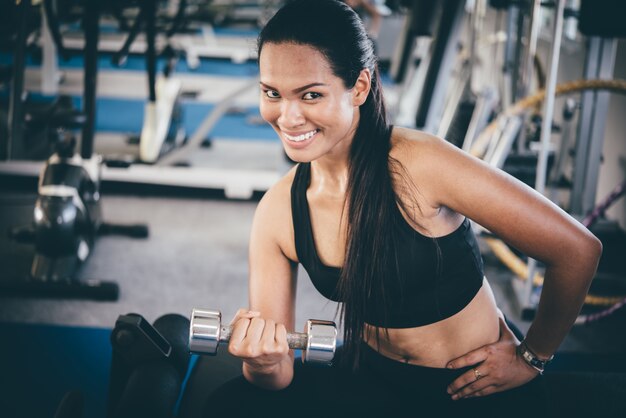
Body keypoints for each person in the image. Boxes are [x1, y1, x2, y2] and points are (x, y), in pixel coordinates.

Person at [204, 0, 602, 416]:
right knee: (227, 405)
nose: (287, 117)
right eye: (272, 93)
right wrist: (263, 360)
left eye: (311, 95)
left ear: (358, 87)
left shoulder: (421, 164)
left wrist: (532, 357)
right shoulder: (278, 212)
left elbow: (576, 251)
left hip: (475, 384)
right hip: (371, 376)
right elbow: (277, 374)